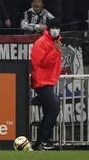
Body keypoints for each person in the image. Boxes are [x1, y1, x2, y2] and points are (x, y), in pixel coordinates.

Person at [30, 18, 62, 150]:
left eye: (57, 27)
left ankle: (39, 144)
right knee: (54, 107)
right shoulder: (41, 42)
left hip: (49, 81)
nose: (56, 30)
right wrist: (55, 50)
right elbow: (42, 62)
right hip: (41, 81)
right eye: (53, 27)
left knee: (49, 111)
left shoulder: (57, 41)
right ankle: (45, 141)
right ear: (48, 28)